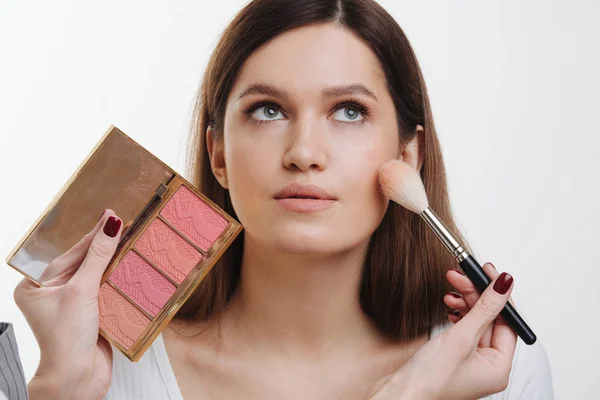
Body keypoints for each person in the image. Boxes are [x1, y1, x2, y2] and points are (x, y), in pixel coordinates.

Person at [10, 0, 554, 399]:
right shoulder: (108, 372)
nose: (304, 153)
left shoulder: (494, 371)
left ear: (408, 157)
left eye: (349, 111)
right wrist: (60, 390)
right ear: (217, 154)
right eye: (268, 110)